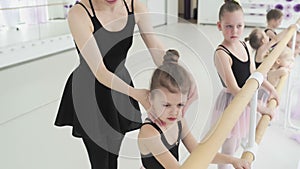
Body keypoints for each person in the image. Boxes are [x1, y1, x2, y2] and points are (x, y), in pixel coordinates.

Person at [53, 0, 199, 169]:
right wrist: (136, 93)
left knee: (113, 155)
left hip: (120, 87)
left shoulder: (134, 5)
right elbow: (100, 71)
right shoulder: (79, 13)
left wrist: (181, 75)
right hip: (89, 91)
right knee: (99, 159)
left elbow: (155, 47)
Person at [138, 49, 250, 169]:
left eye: (180, 105)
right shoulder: (149, 133)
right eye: (166, 105)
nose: (174, 112)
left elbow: (198, 152)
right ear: (151, 99)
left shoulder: (179, 121)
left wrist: (232, 160)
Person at [212, 1, 279, 169]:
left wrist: (272, 89)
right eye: (228, 26)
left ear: (244, 25)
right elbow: (235, 90)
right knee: (228, 148)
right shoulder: (222, 54)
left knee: (236, 144)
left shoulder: (243, 44)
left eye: (239, 26)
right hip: (231, 103)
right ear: (219, 26)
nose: (234, 31)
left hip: (246, 100)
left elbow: (254, 75)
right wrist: (261, 108)